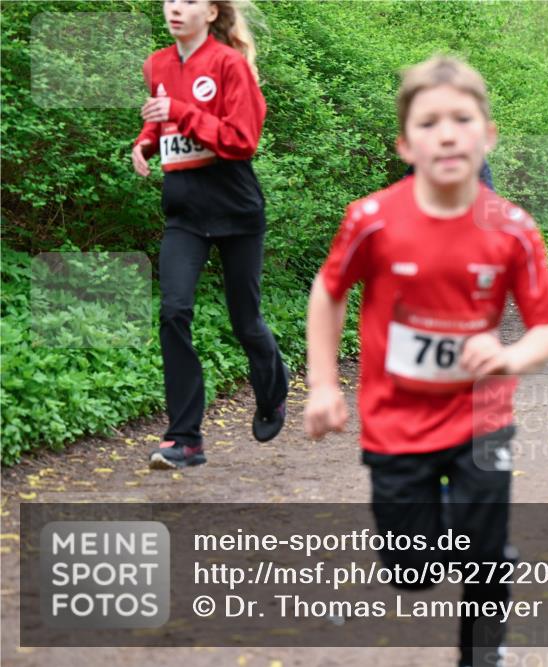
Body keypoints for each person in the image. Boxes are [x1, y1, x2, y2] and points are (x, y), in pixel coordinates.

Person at [304, 56, 548, 667]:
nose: (447, 133)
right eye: (429, 122)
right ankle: (481, 548)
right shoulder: (373, 220)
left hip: (481, 417)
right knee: (411, 570)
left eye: (461, 119)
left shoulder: (513, 230)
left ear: (488, 135)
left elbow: (547, 324)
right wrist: (322, 386)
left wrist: (508, 355)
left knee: (482, 554)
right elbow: (329, 292)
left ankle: (483, 650)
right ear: (404, 143)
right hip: (395, 421)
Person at [132, 0, 289, 469]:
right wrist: (146, 142)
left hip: (236, 209)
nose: (175, 8)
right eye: (171, 0)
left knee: (246, 322)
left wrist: (178, 111)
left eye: (189, 1)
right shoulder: (157, 63)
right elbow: (160, 121)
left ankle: (272, 388)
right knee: (173, 310)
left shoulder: (229, 64)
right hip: (184, 210)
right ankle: (185, 439)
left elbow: (243, 140)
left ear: (212, 11)